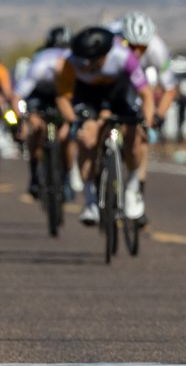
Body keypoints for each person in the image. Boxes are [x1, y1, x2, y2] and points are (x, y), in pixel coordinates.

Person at [56, 27, 156, 226]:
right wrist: (74, 122)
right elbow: (62, 98)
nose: (88, 65)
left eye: (93, 60)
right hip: (87, 98)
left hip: (118, 94)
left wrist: (147, 122)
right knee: (87, 140)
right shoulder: (71, 63)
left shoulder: (123, 57)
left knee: (135, 138)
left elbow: (145, 94)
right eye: (83, 59)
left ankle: (133, 190)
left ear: (105, 54)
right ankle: (90, 201)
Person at [16, 26, 76, 199]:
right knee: (37, 126)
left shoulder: (74, 64)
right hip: (40, 95)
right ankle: (35, 174)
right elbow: (19, 95)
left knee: (67, 135)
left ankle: (66, 178)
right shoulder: (40, 64)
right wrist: (23, 118)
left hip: (64, 94)